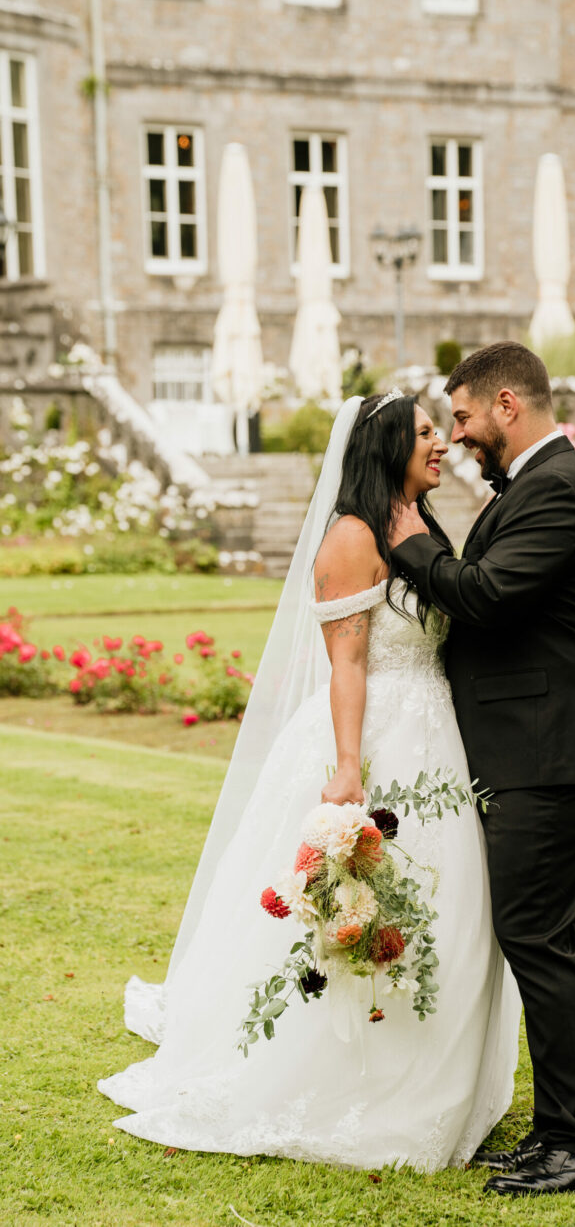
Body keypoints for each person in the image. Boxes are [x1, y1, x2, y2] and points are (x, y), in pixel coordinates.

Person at [98, 392, 520, 1170]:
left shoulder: (420, 525)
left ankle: (433, 1068)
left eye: (440, 430)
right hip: (377, 737)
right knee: (362, 904)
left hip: (439, 741)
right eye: (425, 433)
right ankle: (346, 1070)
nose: (440, 444)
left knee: (450, 905)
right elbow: (348, 663)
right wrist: (351, 767)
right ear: (387, 445)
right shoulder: (353, 538)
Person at [390, 341, 575, 1198]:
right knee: (558, 938)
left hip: (560, 756)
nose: (455, 436)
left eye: (460, 417)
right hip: (544, 752)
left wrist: (407, 537)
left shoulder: (559, 489)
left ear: (504, 405)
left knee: (537, 934)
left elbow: (488, 594)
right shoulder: (539, 484)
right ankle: (564, 1128)